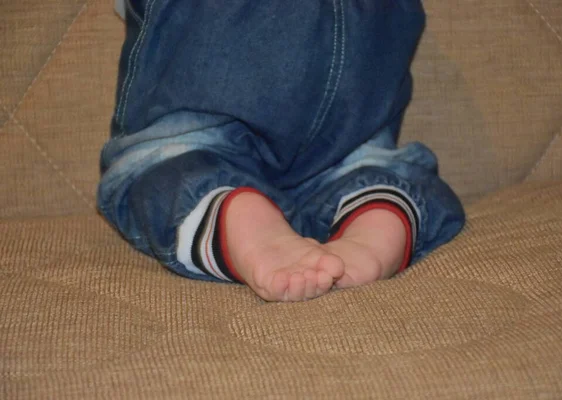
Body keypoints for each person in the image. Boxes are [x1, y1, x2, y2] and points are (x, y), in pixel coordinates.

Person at [98, 0, 465, 302]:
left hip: (344, 136)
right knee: (371, 165)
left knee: (170, 167)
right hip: (359, 56)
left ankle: (245, 216)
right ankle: (369, 217)